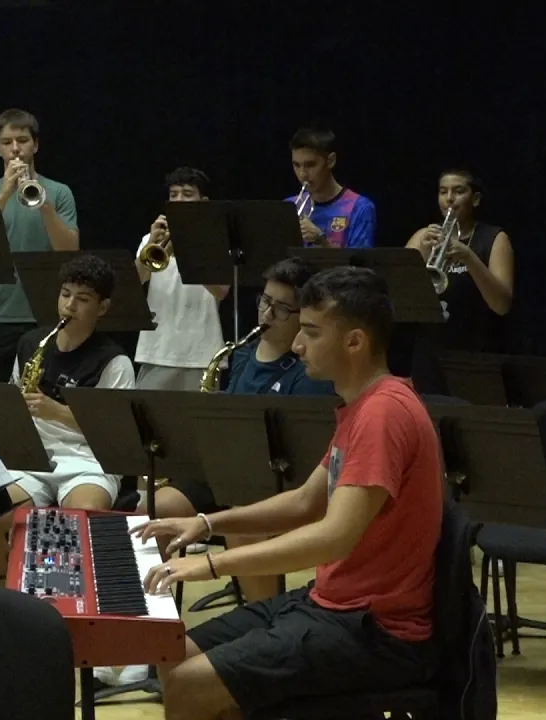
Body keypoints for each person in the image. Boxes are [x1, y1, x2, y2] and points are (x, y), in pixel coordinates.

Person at [135, 266, 442, 720]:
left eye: (312, 333)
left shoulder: (384, 414)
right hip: (332, 605)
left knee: (187, 685)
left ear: (354, 342)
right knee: (172, 653)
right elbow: (304, 502)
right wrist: (206, 523)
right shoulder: (362, 406)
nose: (297, 345)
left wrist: (211, 562)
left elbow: (333, 537)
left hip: (376, 630)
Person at [97, 258, 337, 691]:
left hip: (277, 482)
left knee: (247, 530)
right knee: (151, 516)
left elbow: (307, 454)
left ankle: (268, 637)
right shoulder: (241, 354)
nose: (267, 314)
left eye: (282, 308)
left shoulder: (310, 372)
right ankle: (143, 639)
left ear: (305, 316)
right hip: (224, 473)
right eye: (266, 301)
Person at [0, 254, 136, 578]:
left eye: (83, 299)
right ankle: (6, 593)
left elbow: (117, 433)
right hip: (33, 456)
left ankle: (71, 603)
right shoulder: (32, 343)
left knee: (82, 516)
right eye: (65, 294)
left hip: (88, 460)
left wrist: (58, 412)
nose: (70, 306)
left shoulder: (114, 361)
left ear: (102, 308)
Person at [0, 108, 80, 383]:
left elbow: (68, 251)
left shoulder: (59, 192)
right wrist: (5, 192)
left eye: (22, 140)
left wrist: (44, 204)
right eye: (7, 143)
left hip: (47, 313)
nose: (15, 149)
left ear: (36, 145)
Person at [405, 170, 514, 394]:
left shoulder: (493, 238)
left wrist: (469, 258)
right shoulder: (424, 236)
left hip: (476, 352)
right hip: (429, 353)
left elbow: (502, 305)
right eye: (443, 192)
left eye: (459, 191)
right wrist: (422, 252)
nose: (449, 198)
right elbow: (399, 297)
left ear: (475, 199)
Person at [134, 167, 228, 391]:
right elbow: (133, 283)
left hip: (202, 353)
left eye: (187, 194)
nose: (178, 200)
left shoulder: (216, 240)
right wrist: (150, 246)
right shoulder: (151, 238)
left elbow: (222, 291)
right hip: (156, 349)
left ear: (203, 202)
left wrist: (188, 251)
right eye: (174, 194)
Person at [286, 127, 377, 249]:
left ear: (331, 161)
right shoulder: (289, 206)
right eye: (296, 165)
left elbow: (359, 266)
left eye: (310, 165)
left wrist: (321, 240)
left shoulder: (360, 207)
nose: (302, 174)